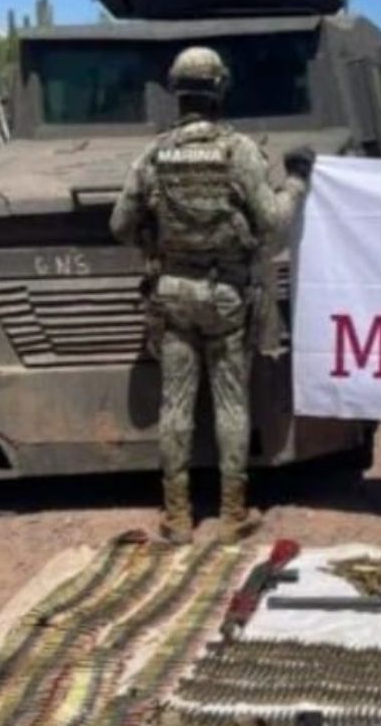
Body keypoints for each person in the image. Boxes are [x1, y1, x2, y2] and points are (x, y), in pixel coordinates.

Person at [110, 46, 307, 545]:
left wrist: (158, 241)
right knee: (231, 402)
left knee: (175, 403)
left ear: (176, 93)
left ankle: (177, 516)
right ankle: (233, 512)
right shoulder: (239, 151)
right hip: (227, 295)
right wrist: (297, 183)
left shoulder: (154, 154)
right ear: (221, 88)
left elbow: (121, 225)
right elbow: (273, 223)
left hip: (172, 293)